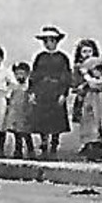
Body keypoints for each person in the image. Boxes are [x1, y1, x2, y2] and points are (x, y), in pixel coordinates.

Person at [27, 26, 72, 157]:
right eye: (46, 41)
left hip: (56, 91)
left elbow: (66, 77)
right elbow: (34, 75)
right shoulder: (40, 57)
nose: (48, 44)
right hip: (42, 91)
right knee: (42, 119)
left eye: (51, 40)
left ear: (56, 41)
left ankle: (54, 145)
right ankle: (44, 143)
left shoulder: (62, 58)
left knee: (56, 119)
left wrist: (64, 93)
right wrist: (32, 92)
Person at [71, 38, 102, 161]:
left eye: (90, 51)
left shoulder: (98, 66)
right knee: (86, 121)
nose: (87, 54)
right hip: (84, 98)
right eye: (84, 51)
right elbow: (75, 82)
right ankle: (87, 144)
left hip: (97, 99)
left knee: (97, 121)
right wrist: (78, 88)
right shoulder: (78, 67)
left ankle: (98, 145)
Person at [5, 61, 33, 158]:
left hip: (24, 112)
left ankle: (30, 149)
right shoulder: (13, 86)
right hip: (15, 112)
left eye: (21, 73)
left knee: (26, 133)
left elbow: (31, 100)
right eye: (17, 74)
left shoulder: (29, 87)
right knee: (16, 133)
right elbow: (8, 97)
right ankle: (18, 150)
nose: (19, 76)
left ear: (27, 74)